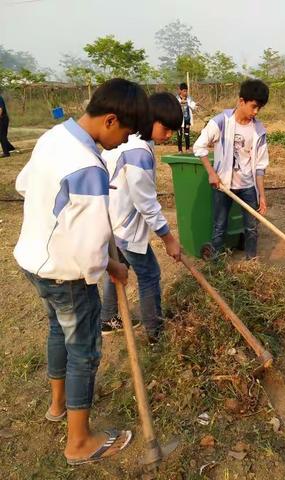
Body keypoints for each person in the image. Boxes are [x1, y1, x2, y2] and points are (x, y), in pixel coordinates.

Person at [13, 78, 150, 465]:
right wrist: (111, 267)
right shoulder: (89, 166)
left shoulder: (53, 136)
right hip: (65, 272)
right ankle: (78, 443)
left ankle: (58, 406)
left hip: (33, 260)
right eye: (124, 133)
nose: (123, 142)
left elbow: (25, 184)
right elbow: (91, 252)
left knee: (58, 329)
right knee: (84, 352)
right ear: (110, 120)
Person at [101, 92, 182, 343]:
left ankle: (107, 317)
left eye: (173, 131)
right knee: (149, 275)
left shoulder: (130, 138)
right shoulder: (138, 151)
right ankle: (155, 333)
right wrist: (168, 239)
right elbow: (146, 203)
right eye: (166, 128)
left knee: (119, 267)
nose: (169, 135)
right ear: (150, 118)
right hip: (124, 224)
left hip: (110, 221)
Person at [193, 79, 269, 259]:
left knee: (252, 226)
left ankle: (251, 263)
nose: (256, 112)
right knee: (220, 225)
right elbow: (199, 147)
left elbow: (260, 165)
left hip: (248, 186)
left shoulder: (259, 129)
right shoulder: (221, 122)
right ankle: (215, 263)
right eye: (254, 106)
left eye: (260, 108)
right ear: (241, 101)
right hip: (223, 186)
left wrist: (262, 195)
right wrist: (212, 174)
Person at [176, 82, 196, 152]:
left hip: (187, 119)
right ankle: (180, 150)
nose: (185, 92)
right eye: (184, 91)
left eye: (186, 91)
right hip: (179, 120)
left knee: (187, 134)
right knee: (179, 135)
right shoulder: (176, 99)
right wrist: (181, 103)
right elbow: (175, 107)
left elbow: (193, 106)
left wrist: (193, 104)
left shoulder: (189, 98)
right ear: (180, 91)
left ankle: (187, 148)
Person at [0, 93, 16, 158]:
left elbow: (0, 109)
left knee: (2, 136)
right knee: (2, 136)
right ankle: (10, 147)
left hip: (2, 119)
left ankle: (6, 153)